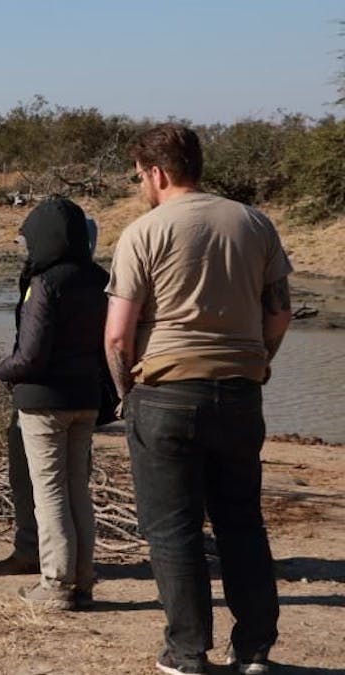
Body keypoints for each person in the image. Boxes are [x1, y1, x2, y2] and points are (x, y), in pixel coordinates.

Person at [105, 123, 291, 675]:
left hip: (166, 391)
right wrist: (257, 362)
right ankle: (254, 649)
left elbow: (117, 335)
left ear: (157, 172)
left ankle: (187, 653)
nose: (141, 184)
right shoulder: (255, 222)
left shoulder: (144, 231)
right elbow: (278, 312)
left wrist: (126, 391)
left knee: (172, 529)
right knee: (242, 522)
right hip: (239, 392)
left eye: (140, 175)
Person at [0, 198, 109, 610]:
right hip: (86, 399)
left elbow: (30, 356)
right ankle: (83, 581)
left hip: (44, 403)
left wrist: (1, 369)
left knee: (49, 493)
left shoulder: (44, 282)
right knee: (78, 488)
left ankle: (56, 584)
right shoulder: (100, 279)